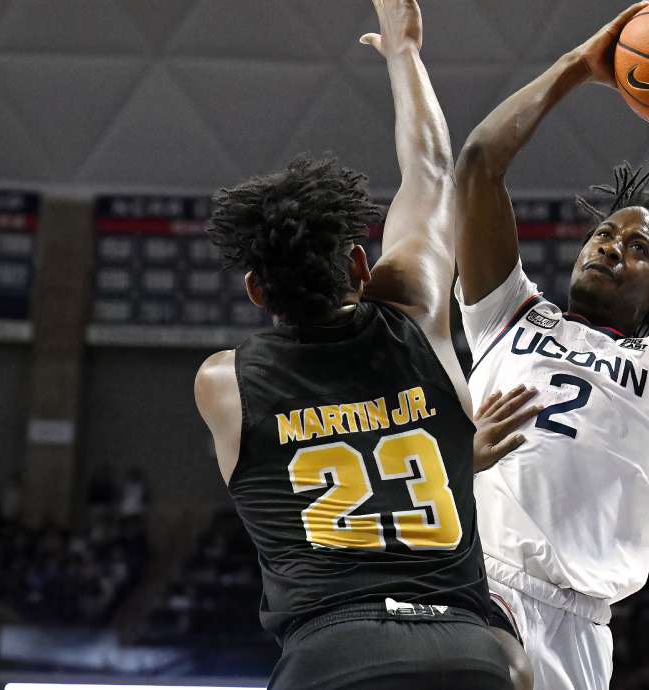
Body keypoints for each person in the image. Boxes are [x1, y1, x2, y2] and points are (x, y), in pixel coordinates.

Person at [193, 1, 533, 687]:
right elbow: (433, 171)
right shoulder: (414, 313)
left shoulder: (223, 382)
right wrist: (404, 55)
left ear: (258, 291)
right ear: (358, 264)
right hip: (467, 651)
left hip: (331, 657)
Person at [452, 2, 649, 687]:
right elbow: (477, 166)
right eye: (604, 235)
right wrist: (573, 68)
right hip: (478, 585)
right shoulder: (508, 314)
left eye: (637, 247)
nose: (610, 246)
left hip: (581, 626)